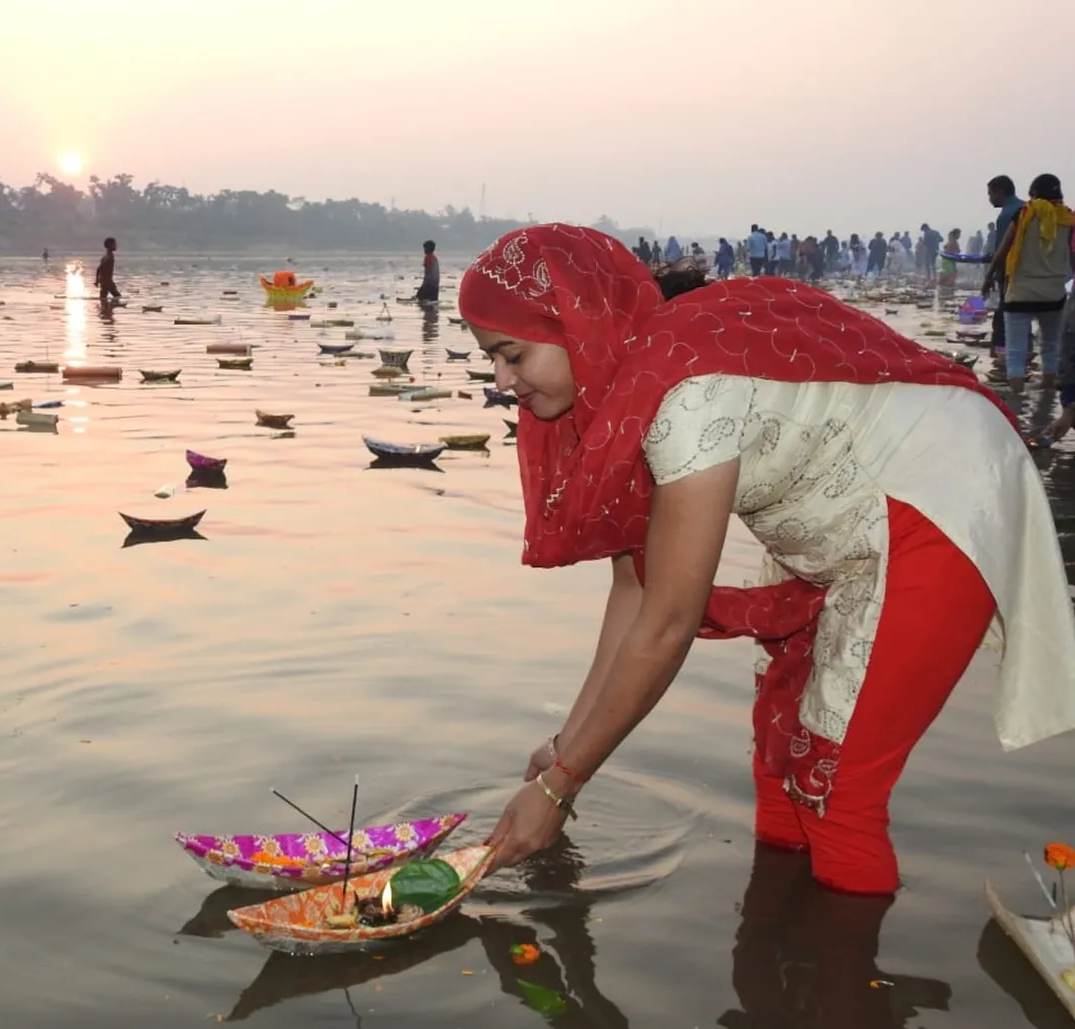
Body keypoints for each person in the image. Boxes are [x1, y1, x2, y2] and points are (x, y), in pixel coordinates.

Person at [459, 224, 1075, 892]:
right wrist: (565, 746)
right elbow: (635, 588)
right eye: (493, 359)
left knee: (835, 794)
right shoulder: (631, 382)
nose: (502, 380)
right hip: (830, 526)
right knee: (781, 773)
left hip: (931, 502)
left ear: (576, 322)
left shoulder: (684, 393)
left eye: (513, 356)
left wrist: (560, 786)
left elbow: (668, 623)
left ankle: (850, 986)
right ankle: (779, 973)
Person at [982, 174, 1073, 394]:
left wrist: (989, 277)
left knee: (1016, 351)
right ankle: (1046, 397)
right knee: (1050, 347)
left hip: (1020, 292)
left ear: (1033, 193)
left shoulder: (1024, 214)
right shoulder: (1068, 219)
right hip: (1053, 294)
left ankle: (1016, 403)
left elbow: (1004, 250)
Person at [985, 175, 1026, 361]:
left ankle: (1000, 358)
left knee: (1003, 316)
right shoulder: (1027, 209)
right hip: (1030, 274)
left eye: (990, 194)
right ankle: (1024, 354)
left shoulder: (1006, 215)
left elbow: (1003, 251)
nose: (989, 199)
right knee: (1023, 317)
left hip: (1010, 273)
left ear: (1000, 192)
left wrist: (991, 275)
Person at [95, 236, 120, 303]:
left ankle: (107, 308)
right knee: (105, 298)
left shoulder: (109, 255)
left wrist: (97, 280)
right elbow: (99, 268)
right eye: (114, 244)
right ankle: (105, 309)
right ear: (110, 246)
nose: (116, 246)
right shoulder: (108, 256)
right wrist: (97, 280)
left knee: (115, 296)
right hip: (106, 282)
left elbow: (100, 269)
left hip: (108, 281)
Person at [416, 239, 440, 304]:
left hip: (429, 284)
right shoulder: (434, 258)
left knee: (419, 299)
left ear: (428, 249)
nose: (424, 250)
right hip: (435, 285)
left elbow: (428, 272)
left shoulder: (428, 258)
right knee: (432, 303)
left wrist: (423, 285)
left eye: (425, 248)